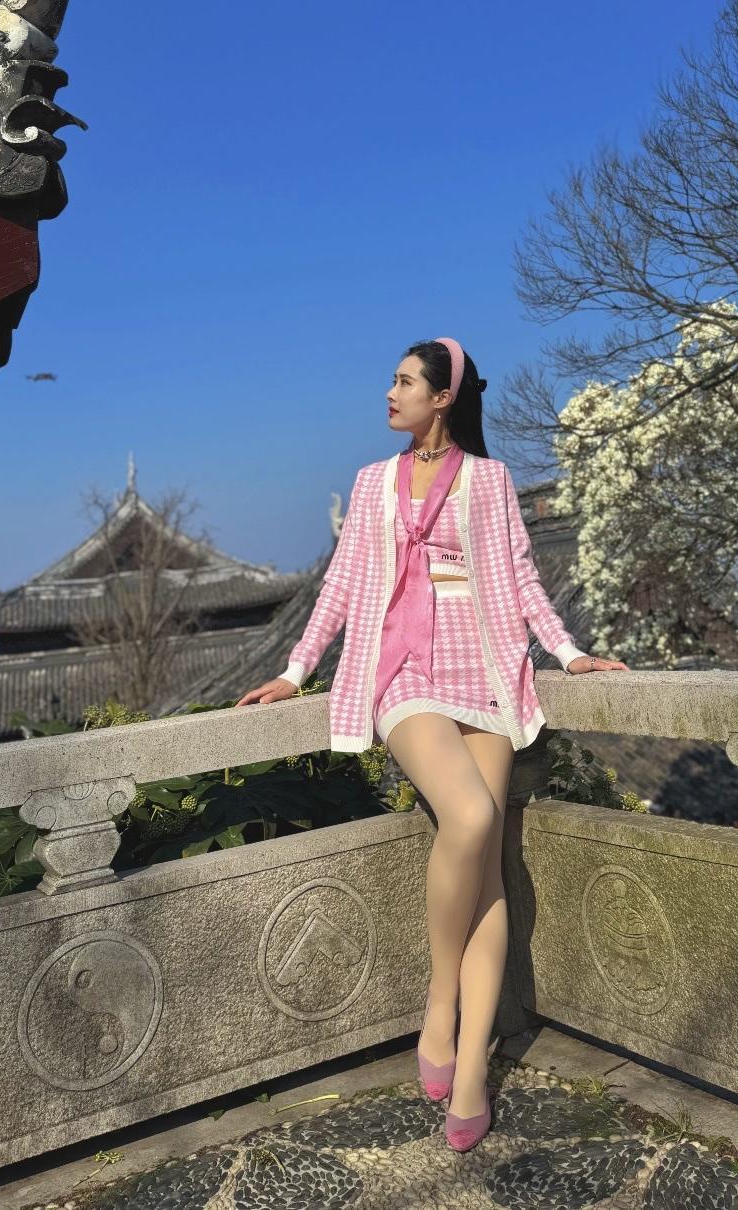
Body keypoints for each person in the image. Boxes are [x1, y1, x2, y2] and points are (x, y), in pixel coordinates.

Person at [235, 336, 628, 1150]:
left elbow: (521, 579)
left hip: (483, 667)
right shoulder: (371, 482)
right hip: (402, 670)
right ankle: (439, 1001)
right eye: (393, 380)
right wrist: (296, 669)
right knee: (473, 818)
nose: (391, 393)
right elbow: (342, 584)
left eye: (406, 381)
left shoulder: (490, 480)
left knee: (485, 873)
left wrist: (568, 654)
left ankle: (472, 1068)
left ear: (443, 397)